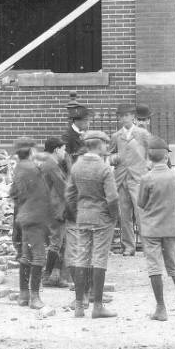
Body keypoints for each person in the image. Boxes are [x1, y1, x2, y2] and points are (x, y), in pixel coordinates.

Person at [137, 138, 175, 320]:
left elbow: (141, 203)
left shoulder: (146, 178)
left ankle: (161, 308)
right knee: (174, 267)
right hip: (171, 227)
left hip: (151, 229)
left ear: (150, 157)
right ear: (166, 156)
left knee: (154, 268)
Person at [64, 129, 118, 318]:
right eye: (105, 144)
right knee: (99, 259)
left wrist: (76, 212)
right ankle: (98, 306)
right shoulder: (104, 168)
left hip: (83, 217)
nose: (107, 147)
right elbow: (112, 198)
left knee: (81, 257)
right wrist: (114, 216)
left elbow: (69, 194)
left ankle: (79, 306)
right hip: (102, 217)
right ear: (100, 145)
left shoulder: (77, 166)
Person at [10, 136, 54, 309]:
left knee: (26, 256)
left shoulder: (19, 167)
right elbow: (43, 193)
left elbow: (13, 192)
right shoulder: (32, 169)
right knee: (38, 257)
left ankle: (23, 294)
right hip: (35, 217)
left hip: (23, 216)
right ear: (30, 151)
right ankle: (35, 297)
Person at [109, 102, 150, 255]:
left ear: (133, 116)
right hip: (121, 179)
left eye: (127, 115)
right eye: (121, 116)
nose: (124, 118)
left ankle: (148, 247)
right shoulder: (116, 136)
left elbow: (152, 153)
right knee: (124, 215)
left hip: (138, 178)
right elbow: (109, 154)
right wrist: (114, 158)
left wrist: (146, 167)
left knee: (141, 214)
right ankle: (128, 247)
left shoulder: (142, 133)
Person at [40, 136, 69, 287]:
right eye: (64, 150)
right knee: (56, 242)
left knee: (60, 242)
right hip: (55, 208)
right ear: (57, 150)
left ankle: (56, 277)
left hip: (50, 206)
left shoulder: (47, 163)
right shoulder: (51, 165)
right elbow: (63, 187)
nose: (65, 153)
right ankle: (47, 276)